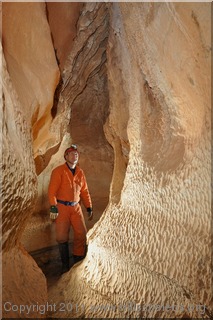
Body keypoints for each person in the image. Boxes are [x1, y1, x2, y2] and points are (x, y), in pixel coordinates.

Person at [48, 144, 93, 274]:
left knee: (81, 233)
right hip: (62, 207)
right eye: (72, 153)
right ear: (66, 156)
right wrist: (53, 206)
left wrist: (89, 206)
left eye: (77, 154)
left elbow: (84, 191)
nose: (75, 155)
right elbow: (52, 191)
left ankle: (77, 261)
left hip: (76, 207)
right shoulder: (58, 171)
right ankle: (65, 266)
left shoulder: (80, 172)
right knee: (62, 236)